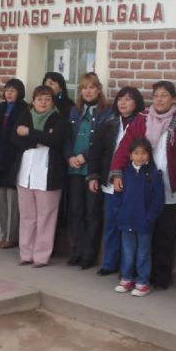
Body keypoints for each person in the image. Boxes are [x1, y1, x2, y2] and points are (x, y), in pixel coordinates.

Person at [110, 81, 176, 289]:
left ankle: (159, 277)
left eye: (164, 95)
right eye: (156, 95)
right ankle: (134, 275)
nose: (159, 99)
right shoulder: (142, 119)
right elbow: (124, 147)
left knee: (165, 234)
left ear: (173, 98)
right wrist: (117, 172)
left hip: (169, 184)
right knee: (142, 234)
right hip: (141, 185)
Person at [88, 87, 146, 276]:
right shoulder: (109, 123)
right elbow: (96, 151)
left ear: (136, 103)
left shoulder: (142, 124)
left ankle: (127, 267)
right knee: (111, 223)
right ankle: (109, 262)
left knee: (129, 226)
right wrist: (94, 175)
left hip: (133, 183)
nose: (123, 103)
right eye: (120, 99)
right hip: (109, 181)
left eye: (128, 99)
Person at [12, 85, 70, 268]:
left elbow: (55, 140)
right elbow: (14, 138)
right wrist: (42, 137)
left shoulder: (59, 119)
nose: (43, 102)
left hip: (48, 174)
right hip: (25, 174)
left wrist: (29, 133)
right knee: (27, 216)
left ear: (52, 101)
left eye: (47, 99)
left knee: (46, 217)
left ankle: (41, 256)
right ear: (33, 101)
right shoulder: (25, 115)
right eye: (39, 99)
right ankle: (26, 253)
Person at [66, 73, 114, 269]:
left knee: (92, 212)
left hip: (91, 168)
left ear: (99, 89)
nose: (87, 91)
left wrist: (84, 156)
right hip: (73, 168)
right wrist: (69, 156)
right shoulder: (74, 111)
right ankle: (76, 249)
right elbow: (66, 137)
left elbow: (102, 141)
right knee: (75, 210)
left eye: (92, 87)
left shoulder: (107, 112)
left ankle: (89, 254)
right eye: (84, 87)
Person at [112, 139, 165, 297]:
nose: (140, 157)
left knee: (143, 252)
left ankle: (142, 281)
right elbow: (117, 197)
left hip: (144, 223)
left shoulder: (154, 175)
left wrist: (149, 218)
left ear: (149, 154)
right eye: (136, 153)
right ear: (130, 155)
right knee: (127, 251)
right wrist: (119, 213)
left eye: (143, 153)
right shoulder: (124, 174)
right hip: (126, 220)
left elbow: (158, 200)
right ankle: (127, 278)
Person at [0, 78, 28, 249]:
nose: (9, 93)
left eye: (13, 90)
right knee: (0, 199)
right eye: (7, 90)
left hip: (13, 158)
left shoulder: (24, 109)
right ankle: (2, 234)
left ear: (20, 93)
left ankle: (11, 236)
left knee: (13, 200)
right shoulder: (0, 109)